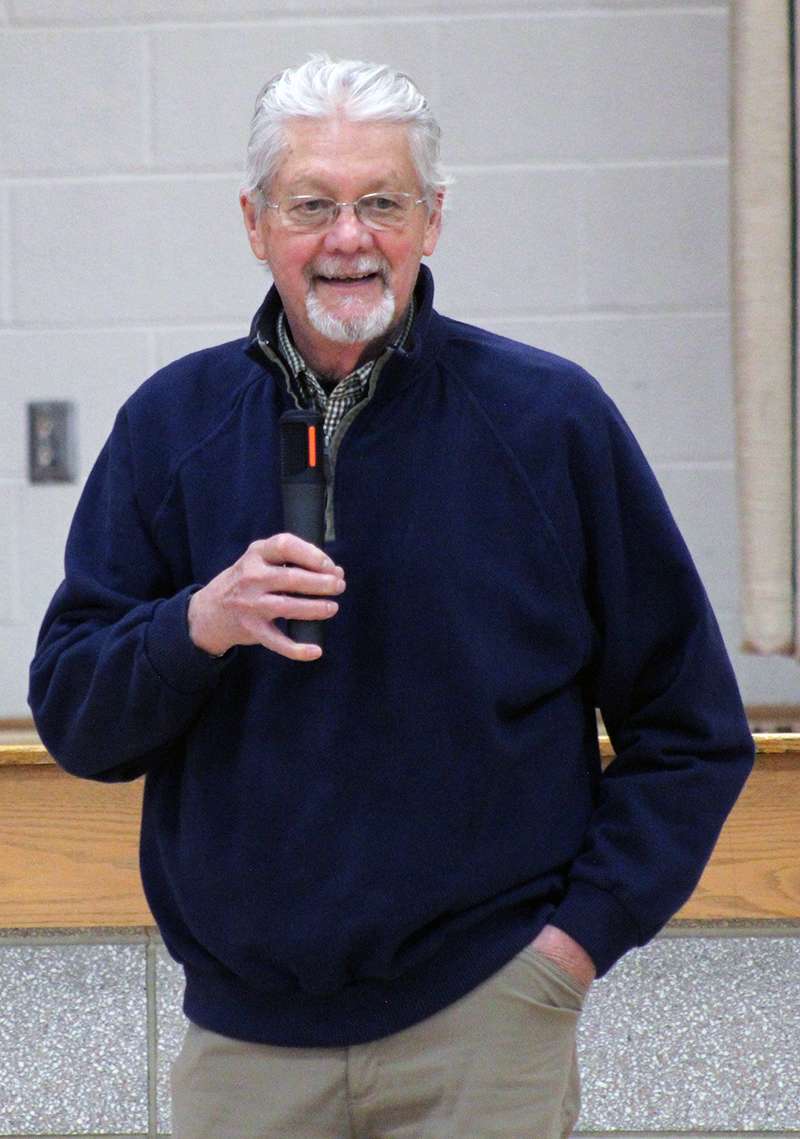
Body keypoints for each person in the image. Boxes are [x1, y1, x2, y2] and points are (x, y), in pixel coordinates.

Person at [29, 54, 754, 1139]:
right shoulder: (167, 428)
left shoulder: (549, 423)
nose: (348, 238)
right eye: (310, 204)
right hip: (242, 1046)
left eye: (381, 202)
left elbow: (690, 729)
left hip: (483, 1026)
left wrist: (564, 954)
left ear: (432, 219)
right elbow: (78, 719)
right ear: (253, 220)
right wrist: (195, 623)